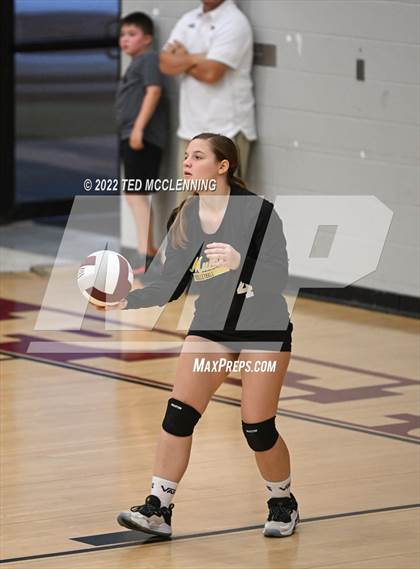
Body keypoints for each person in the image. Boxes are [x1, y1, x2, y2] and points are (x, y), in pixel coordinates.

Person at [94, 134, 299, 539]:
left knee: (257, 428)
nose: (187, 162)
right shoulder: (185, 216)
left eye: (198, 156)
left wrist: (241, 262)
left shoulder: (258, 212)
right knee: (179, 414)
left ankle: (282, 502)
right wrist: (126, 300)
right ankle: (158, 509)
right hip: (212, 326)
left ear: (223, 166)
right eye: (186, 155)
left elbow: (280, 277)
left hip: (263, 326)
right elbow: (170, 284)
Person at [159, 0, 257, 202]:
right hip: (190, 131)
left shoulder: (234, 22)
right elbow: (165, 63)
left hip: (227, 132)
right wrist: (197, 58)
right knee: (187, 208)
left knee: (222, 209)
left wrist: (183, 59)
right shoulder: (188, 19)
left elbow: (212, 73)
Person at [116, 12, 167, 275]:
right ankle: (148, 253)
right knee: (135, 195)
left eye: (132, 34)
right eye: (122, 34)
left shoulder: (148, 59)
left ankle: (148, 255)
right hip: (132, 135)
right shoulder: (137, 62)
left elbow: (154, 91)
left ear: (147, 38)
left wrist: (138, 129)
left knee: (136, 195)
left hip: (142, 137)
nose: (125, 39)